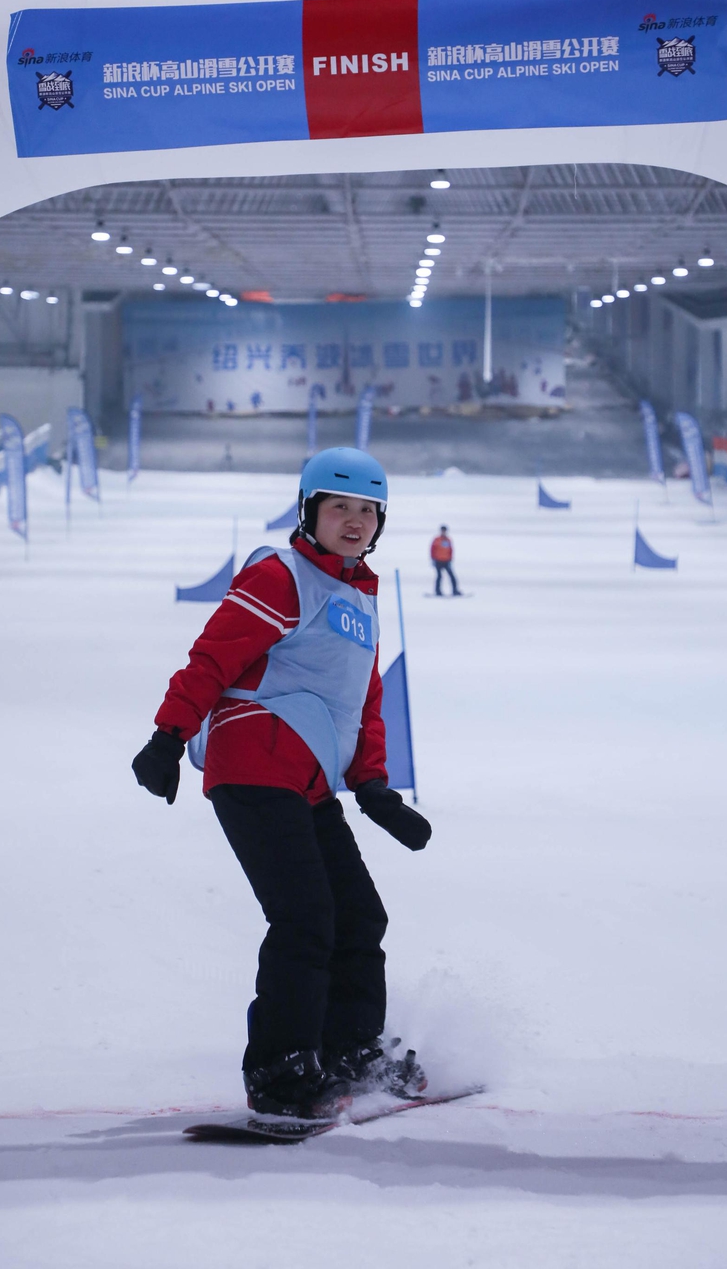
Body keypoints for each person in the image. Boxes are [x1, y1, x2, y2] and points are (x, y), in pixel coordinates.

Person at [131, 447, 432, 1120]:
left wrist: (376, 786)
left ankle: (351, 1050)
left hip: (307, 780)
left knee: (359, 915)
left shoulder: (358, 595)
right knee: (304, 917)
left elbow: (362, 698)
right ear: (309, 511)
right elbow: (214, 655)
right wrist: (168, 735)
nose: (353, 522)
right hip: (254, 764)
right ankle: (281, 1070)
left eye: (366, 511)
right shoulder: (281, 575)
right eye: (338, 507)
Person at [430, 525, 461, 596]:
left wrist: (450, 559)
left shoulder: (448, 540)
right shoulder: (436, 540)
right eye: (442, 531)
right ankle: (438, 591)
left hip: (446, 561)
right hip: (438, 560)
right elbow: (432, 549)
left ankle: (455, 590)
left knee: (452, 576)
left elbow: (451, 550)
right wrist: (433, 559)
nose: (443, 532)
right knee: (439, 576)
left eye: (444, 531)